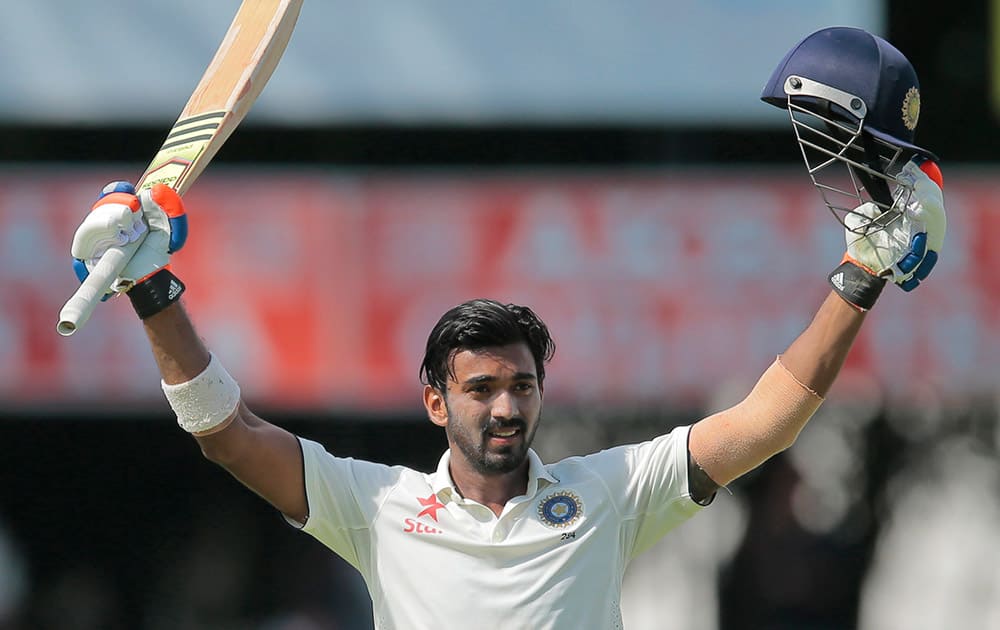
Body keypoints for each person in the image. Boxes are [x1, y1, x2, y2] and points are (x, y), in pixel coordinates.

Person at [68, 27, 945, 629]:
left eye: (520, 385)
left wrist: (860, 275)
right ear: (434, 403)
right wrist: (152, 290)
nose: (504, 407)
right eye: (480, 388)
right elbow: (229, 435)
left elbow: (767, 420)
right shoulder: (377, 507)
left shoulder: (609, 495)